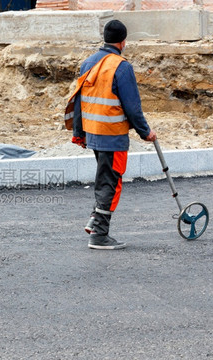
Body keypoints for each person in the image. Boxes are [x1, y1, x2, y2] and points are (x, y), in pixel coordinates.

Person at [65, 19, 157, 250]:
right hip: (112, 136)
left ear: (105, 38)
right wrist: (146, 133)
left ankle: (95, 220)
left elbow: (79, 100)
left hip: (94, 134)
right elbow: (132, 107)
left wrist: (80, 132)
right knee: (111, 183)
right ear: (123, 42)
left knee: (104, 178)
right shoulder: (121, 66)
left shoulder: (89, 62)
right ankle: (99, 235)